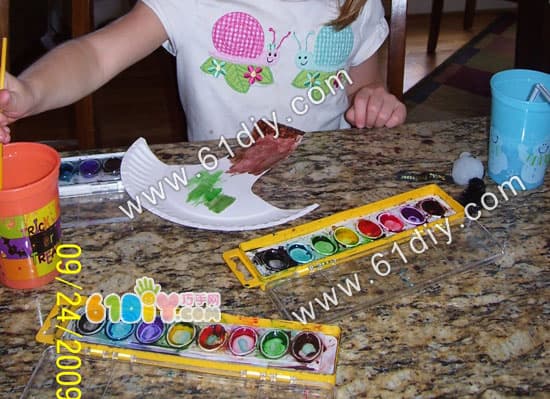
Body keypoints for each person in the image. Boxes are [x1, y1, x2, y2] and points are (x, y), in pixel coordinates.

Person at [0, 0, 406, 144]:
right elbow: (95, 54)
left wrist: (372, 101)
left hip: (324, 189)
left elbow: (362, 87)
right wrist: (31, 91)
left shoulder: (356, 5)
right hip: (217, 189)